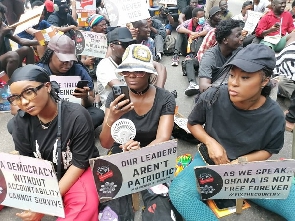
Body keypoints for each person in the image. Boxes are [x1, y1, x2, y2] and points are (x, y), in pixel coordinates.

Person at [169, 44, 289, 221]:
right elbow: (193, 123)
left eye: (245, 77)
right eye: (232, 75)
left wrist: (242, 162)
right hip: (208, 161)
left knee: (289, 197)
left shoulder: (275, 116)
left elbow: (270, 150)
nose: (233, 82)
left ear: (264, 81)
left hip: (248, 171)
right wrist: (211, 142)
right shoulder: (213, 95)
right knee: (180, 193)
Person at [8, 64, 99, 221]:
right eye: (16, 97)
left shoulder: (77, 116)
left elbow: (79, 164)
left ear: (48, 86)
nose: (23, 102)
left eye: (29, 92)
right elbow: (29, 164)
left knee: (84, 204)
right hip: (44, 173)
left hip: (77, 171)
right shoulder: (19, 122)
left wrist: (45, 204)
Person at [99, 43, 175, 155]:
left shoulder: (165, 98)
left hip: (155, 150)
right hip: (122, 150)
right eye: (126, 71)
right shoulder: (115, 97)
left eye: (139, 71)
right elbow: (105, 143)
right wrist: (112, 118)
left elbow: (163, 138)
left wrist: (140, 154)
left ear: (149, 73)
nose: (131, 75)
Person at [37, 34, 105, 129]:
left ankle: (63, 132)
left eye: (70, 60)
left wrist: (85, 97)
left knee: (97, 114)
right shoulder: (38, 71)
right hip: (48, 116)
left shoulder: (78, 70)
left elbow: (91, 100)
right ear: (50, 55)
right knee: (17, 123)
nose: (67, 64)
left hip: (73, 114)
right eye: (63, 60)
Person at [96, 27, 168, 108]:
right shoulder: (104, 65)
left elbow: (160, 67)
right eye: (124, 44)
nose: (127, 47)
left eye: (130, 44)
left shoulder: (131, 58)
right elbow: (121, 90)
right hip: (114, 107)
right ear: (112, 46)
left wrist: (159, 94)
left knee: (152, 73)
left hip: (137, 101)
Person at [182, 6, 222, 96]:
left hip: (213, 58)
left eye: (220, 14)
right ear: (211, 16)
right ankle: (192, 84)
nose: (219, 16)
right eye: (217, 15)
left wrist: (198, 34)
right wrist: (191, 33)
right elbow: (179, 28)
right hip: (202, 54)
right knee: (188, 62)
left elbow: (207, 30)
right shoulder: (208, 25)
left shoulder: (216, 27)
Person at [198, 19, 243, 93]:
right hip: (217, 96)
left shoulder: (240, 51)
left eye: (241, 34)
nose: (242, 38)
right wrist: (232, 90)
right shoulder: (210, 57)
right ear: (225, 40)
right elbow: (203, 87)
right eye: (238, 35)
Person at [0, 4, 39, 77]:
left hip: (4, 58)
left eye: (2, 18)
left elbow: (21, 41)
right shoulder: (2, 30)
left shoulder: (2, 25)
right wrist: (2, 34)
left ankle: (30, 76)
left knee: (27, 49)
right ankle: (12, 83)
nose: (1, 21)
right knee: (12, 55)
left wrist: (40, 42)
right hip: (4, 58)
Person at [80, 14, 107, 79]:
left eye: (105, 24)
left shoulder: (108, 37)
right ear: (93, 27)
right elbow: (82, 59)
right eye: (101, 25)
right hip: (91, 76)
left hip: (104, 74)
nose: (105, 27)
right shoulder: (86, 38)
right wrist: (86, 62)